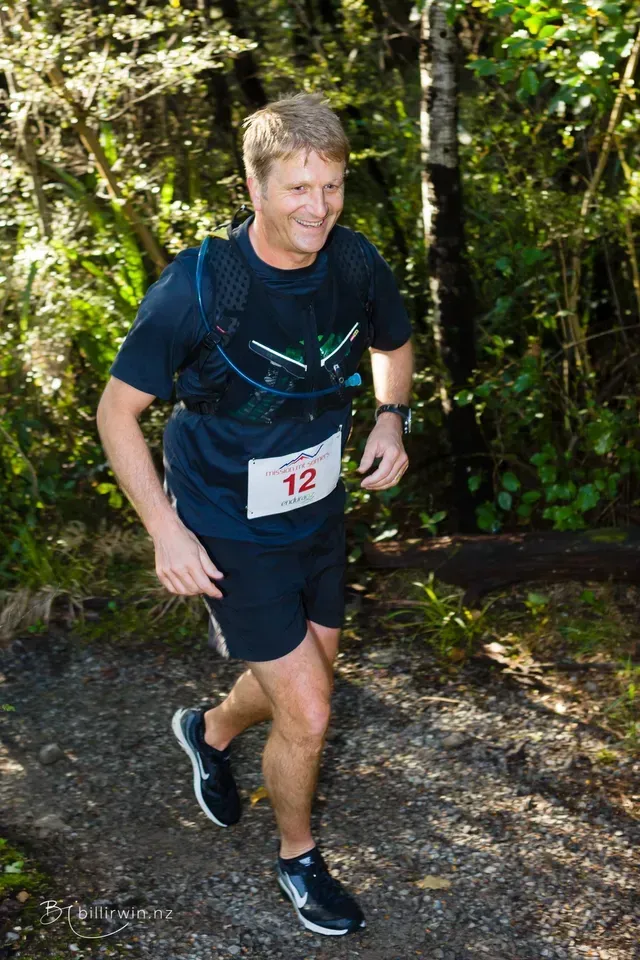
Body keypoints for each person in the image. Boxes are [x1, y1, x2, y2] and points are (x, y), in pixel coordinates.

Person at [96, 92, 414, 937]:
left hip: (317, 513)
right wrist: (166, 528)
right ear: (255, 184)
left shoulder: (355, 265)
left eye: (333, 187)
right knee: (309, 709)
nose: (318, 208)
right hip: (228, 525)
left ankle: (207, 729)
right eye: (298, 189)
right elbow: (115, 412)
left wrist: (391, 418)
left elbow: (394, 343)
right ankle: (299, 859)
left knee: (304, 676)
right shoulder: (197, 289)